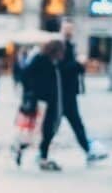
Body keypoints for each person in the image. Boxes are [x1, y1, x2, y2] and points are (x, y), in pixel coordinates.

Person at [58, 21, 107, 164]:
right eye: (67, 29)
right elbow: (63, 69)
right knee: (52, 126)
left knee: (75, 124)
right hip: (62, 93)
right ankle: (36, 150)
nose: (69, 31)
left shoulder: (69, 46)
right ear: (61, 30)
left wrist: (80, 65)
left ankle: (87, 150)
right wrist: (78, 63)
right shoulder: (61, 47)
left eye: (71, 29)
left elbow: (75, 70)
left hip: (69, 93)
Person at [23, 39, 65, 171]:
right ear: (55, 50)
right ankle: (20, 149)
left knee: (47, 131)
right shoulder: (41, 59)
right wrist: (33, 92)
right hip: (41, 102)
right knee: (36, 130)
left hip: (51, 102)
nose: (62, 54)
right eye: (60, 51)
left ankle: (43, 156)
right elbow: (25, 75)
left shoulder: (54, 62)